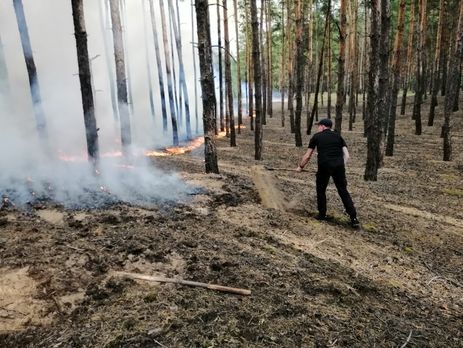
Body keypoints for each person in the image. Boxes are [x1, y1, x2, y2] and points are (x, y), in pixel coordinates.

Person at [295, 118, 359, 228]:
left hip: (324, 166)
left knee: (321, 190)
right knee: (343, 191)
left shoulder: (316, 137)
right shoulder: (338, 136)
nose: (318, 128)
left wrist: (300, 167)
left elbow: (307, 155)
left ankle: (322, 214)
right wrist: (340, 165)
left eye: (319, 126)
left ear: (323, 126)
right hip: (339, 166)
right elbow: (347, 155)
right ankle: (353, 218)